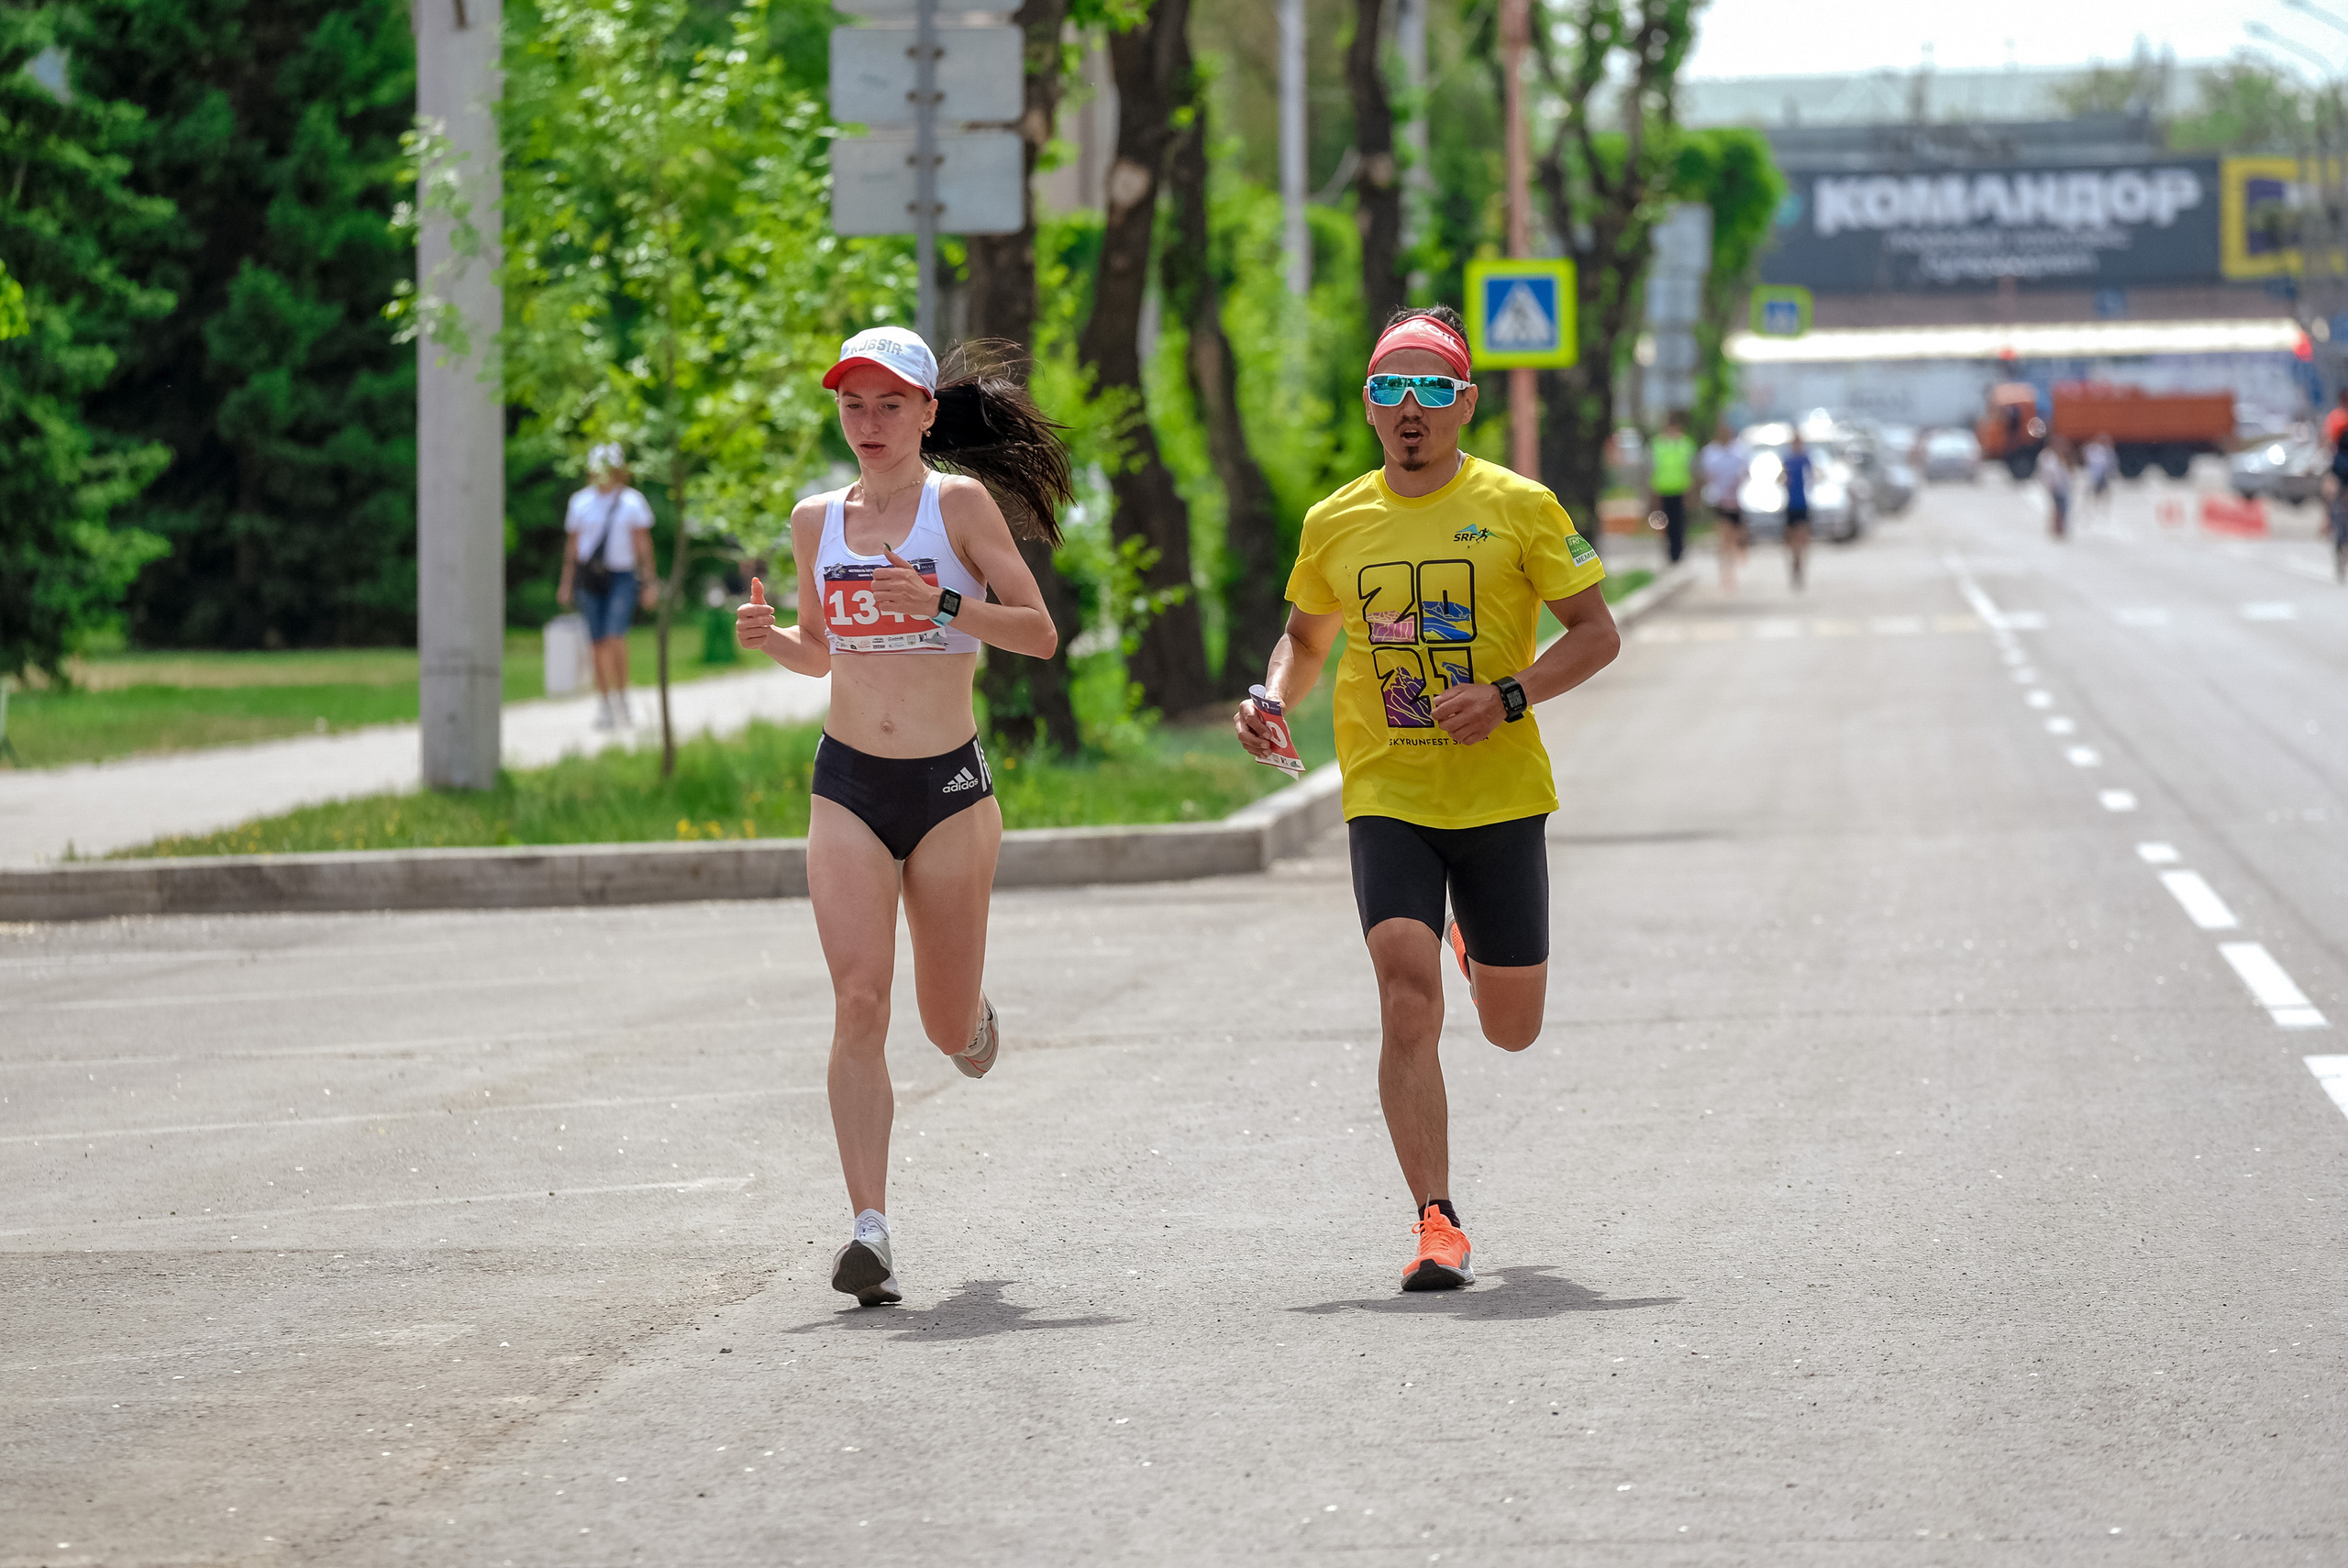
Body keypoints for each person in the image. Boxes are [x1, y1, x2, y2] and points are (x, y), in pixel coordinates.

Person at [1234, 305, 1621, 1293]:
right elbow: (1308, 643)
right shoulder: (1337, 521)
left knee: (1510, 1027)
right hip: (1388, 791)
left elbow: (1593, 634)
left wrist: (1506, 695)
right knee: (1406, 995)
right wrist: (1271, 696)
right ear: (1368, 406)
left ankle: (1475, 943)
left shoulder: (1522, 506)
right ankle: (1435, 1221)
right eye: (1390, 391)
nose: (1411, 410)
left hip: (1498, 793)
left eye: (1432, 391)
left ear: (1464, 405)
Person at [733, 326, 1072, 1307]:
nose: (869, 424)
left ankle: (970, 1017)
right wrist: (773, 640)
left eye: (890, 405)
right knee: (857, 1002)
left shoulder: (955, 505)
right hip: (847, 783)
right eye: (852, 405)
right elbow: (820, 650)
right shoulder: (815, 520)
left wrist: (943, 602)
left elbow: (1040, 634)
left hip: (948, 793)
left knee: (938, 1026)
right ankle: (869, 1230)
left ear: (928, 412)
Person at [559, 445, 659, 730]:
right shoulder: (580, 502)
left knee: (616, 637)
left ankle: (623, 697)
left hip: (622, 576)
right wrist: (566, 583)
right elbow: (573, 547)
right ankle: (604, 703)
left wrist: (649, 580)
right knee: (597, 642)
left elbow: (642, 544)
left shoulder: (631, 502)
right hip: (589, 579)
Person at [1698, 423, 1750, 591]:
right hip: (1719, 502)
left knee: (1735, 537)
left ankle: (1734, 558)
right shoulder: (1710, 453)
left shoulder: (1739, 451)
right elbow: (1706, 475)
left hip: (1735, 502)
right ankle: (1726, 572)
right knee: (1724, 537)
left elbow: (1746, 473)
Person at [1647, 412, 1695, 566]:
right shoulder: (1658, 444)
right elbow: (1651, 467)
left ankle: (1678, 551)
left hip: (1680, 490)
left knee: (1679, 522)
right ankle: (1669, 551)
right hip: (1662, 490)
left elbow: (1691, 468)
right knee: (1663, 522)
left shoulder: (1685, 444)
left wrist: (1692, 491)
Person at [1781, 432, 1815, 591]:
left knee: (1802, 537)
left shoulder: (1804, 459)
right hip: (1792, 504)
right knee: (1791, 539)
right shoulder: (1788, 460)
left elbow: (1812, 478)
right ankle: (1796, 562)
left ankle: (1799, 564)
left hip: (1802, 503)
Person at [2037, 438, 2072, 540]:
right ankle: (2057, 529)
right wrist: (2051, 486)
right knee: (2059, 508)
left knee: (2061, 508)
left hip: (2060, 486)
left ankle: (2059, 529)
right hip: (2056, 487)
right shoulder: (2048, 457)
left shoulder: (2060, 457)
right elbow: (2050, 473)